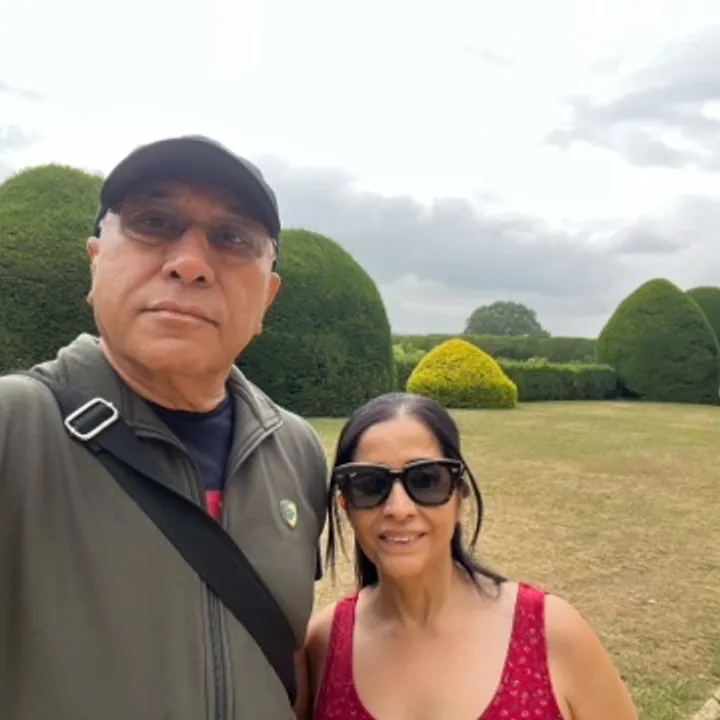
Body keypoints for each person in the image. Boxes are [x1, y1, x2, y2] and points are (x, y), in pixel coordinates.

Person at [0, 135, 328, 719]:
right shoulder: (14, 429)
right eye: (153, 223)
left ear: (268, 299)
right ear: (96, 260)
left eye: (232, 238)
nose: (190, 263)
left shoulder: (296, 450)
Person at [300, 392, 639, 720]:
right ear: (346, 504)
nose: (399, 509)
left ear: (459, 495)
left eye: (426, 480)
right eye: (369, 485)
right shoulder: (323, 645)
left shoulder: (552, 634)